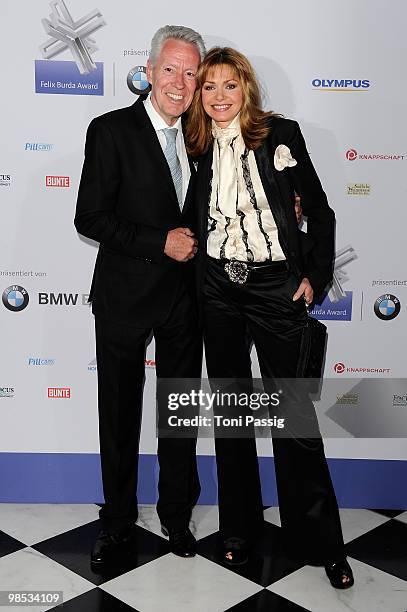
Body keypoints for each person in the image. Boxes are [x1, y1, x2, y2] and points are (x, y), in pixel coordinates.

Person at [186, 47, 354, 589]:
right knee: (233, 415)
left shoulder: (282, 135)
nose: (217, 97)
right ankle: (240, 530)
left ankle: (320, 541)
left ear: (247, 89)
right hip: (218, 286)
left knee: (294, 419)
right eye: (208, 86)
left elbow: (319, 210)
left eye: (228, 86)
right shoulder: (196, 144)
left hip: (276, 285)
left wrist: (316, 276)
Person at [74, 25, 206, 566]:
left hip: (189, 298)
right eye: (171, 68)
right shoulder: (110, 130)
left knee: (178, 414)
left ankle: (176, 518)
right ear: (149, 71)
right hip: (125, 295)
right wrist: (160, 242)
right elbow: (90, 217)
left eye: (191, 72)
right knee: (120, 414)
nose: (180, 82)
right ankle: (118, 522)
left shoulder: (205, 136)